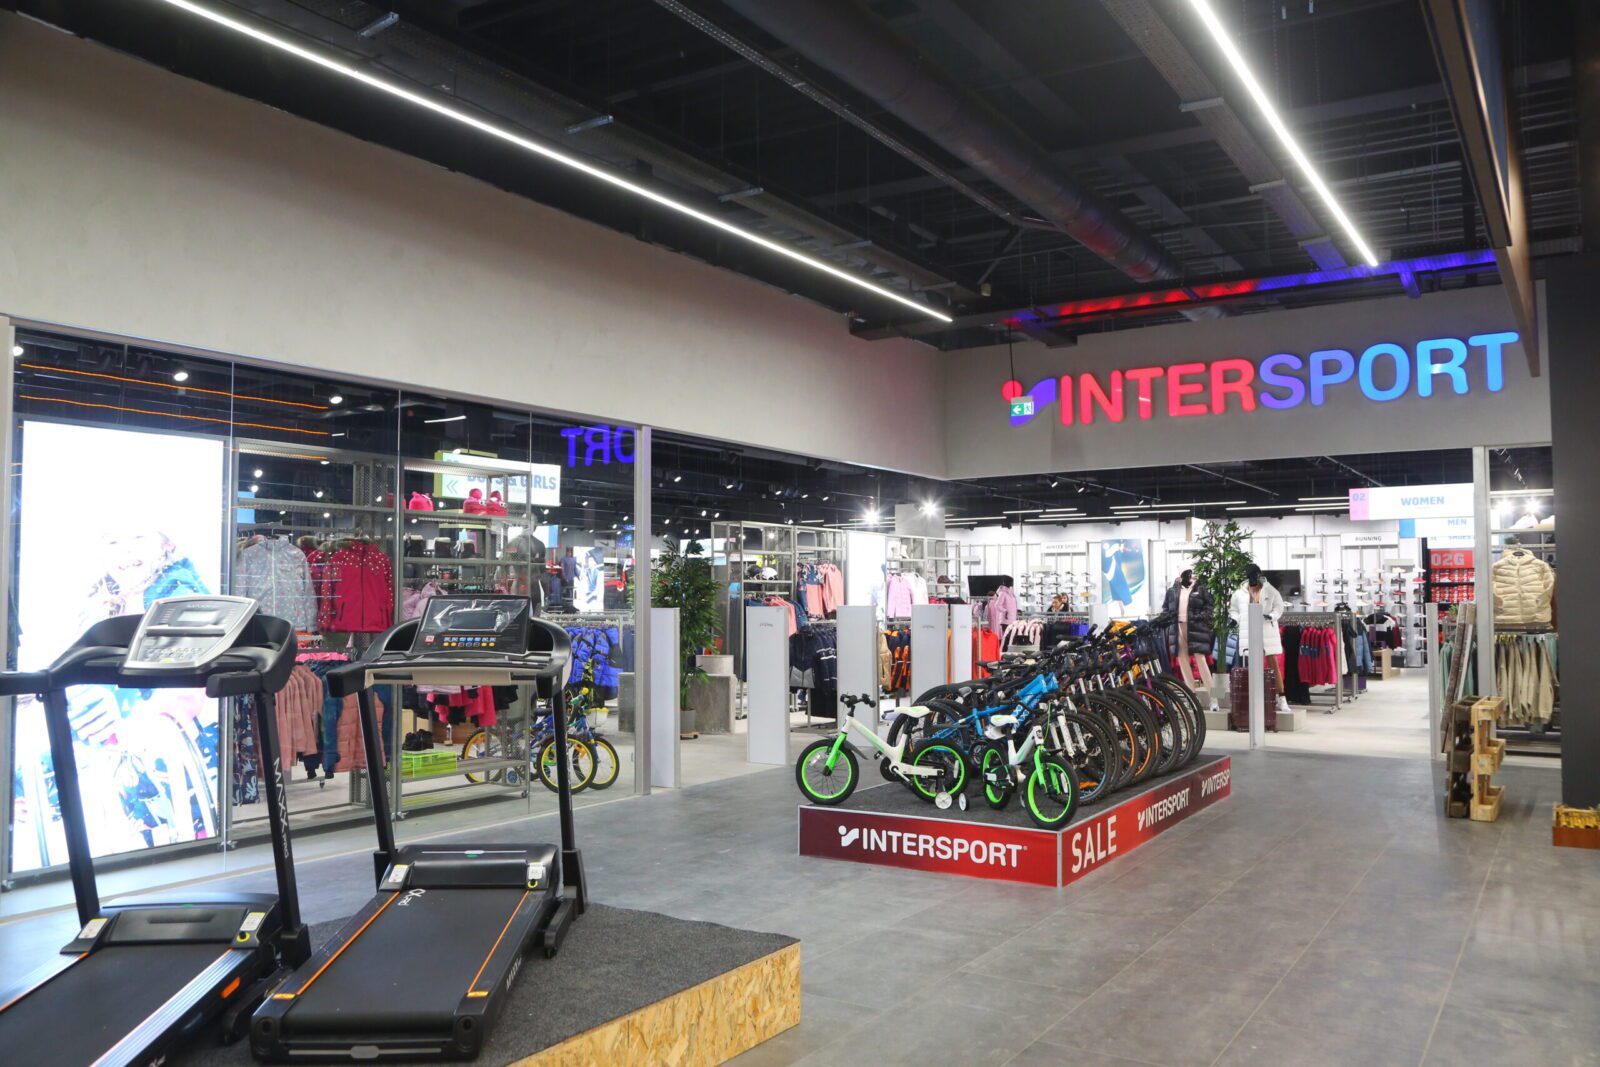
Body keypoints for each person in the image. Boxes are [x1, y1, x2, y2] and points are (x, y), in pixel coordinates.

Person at [1230, 564, 1289, 714]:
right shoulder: (1239, 593)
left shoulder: (1270, 590)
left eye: (1256, 574)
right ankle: (1254, 699)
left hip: (1266, 630)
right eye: (1251, 575)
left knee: (1273, 663)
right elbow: (1234, 609)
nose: (1253, 578)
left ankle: (1282, 698)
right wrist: (1234, 619)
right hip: (1248, 631)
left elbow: (1278, 608)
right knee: (1250, 666)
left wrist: (1271, 616)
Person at [1162, 570, 1217, 714]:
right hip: (1177, 627)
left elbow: (1210, 607)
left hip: (1196, 628)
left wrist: (1198, 617)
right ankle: (1192, 696)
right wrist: (1165, 620)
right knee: (1183, 662)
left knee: (1202, 662)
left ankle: (1215, 698)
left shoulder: (1201, 588)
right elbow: (1166, 608)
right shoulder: (1172, 590)